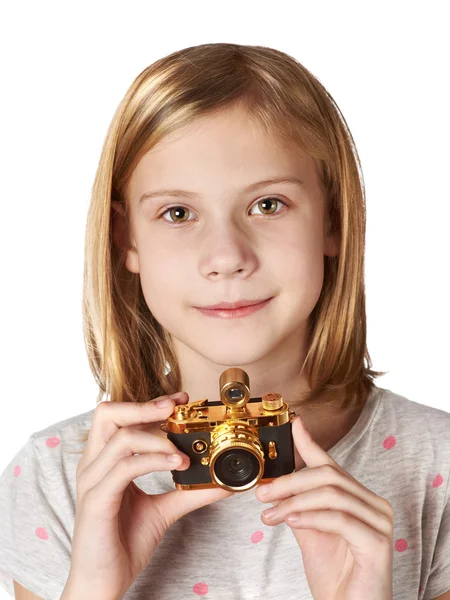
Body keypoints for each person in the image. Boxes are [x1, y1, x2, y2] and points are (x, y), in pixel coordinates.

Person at [0, 42, 449, 600]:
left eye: (267, 205)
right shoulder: (57, 479)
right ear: (125, 239)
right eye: (178, 213)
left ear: (332, 219)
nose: (227, 256)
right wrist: (93, 586)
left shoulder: (437, 466)